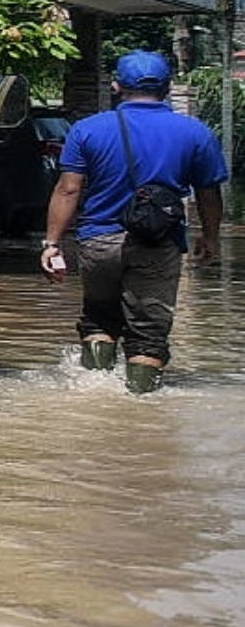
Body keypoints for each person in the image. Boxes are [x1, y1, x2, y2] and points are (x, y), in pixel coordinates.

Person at [42, 49, 228, 391]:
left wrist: (52, 244)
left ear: (116, 86)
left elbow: (68, 190)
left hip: (97, 242)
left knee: (99, 318)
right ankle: (141, 411)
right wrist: (210, 237)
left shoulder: (87, 130)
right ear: (168, 87)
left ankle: (94, 400)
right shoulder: (195, 133)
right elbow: (208, 193)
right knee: (148, 334)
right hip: (159, 244)